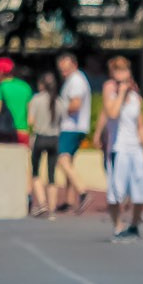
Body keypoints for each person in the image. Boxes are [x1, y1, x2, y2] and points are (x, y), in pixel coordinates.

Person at [97, 55, 143, 240]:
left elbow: (141, 124)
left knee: (141, 190)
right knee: (116, 192)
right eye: (118, 70)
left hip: (134, 148)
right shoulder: (110, 92)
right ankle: (118, 225)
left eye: (125, 70)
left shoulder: (136, 97)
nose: (122, 74)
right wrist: (120, 93)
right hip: (118, 148)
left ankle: (134, 224)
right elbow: (111, 113)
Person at [53, 51, 91, 214]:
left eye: (66, 69)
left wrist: (57, 110)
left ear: (74, 65)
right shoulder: (73, 80)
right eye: (61, 70)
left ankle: (82, 192)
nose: (64, 73)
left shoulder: (76, 81)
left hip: (71, 127)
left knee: (62, 159)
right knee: (68, 161)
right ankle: (69, 200)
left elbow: (75, 104)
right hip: (74, 127)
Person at [26, 72, 60, 218]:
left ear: (41, 85)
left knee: (35, 172)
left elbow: (30, 121)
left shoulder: (36, 99)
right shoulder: (59, 101)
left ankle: (43, 203)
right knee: (52, 175)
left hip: (40, 137)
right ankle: (52, 209)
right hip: (55, 138)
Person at [0, 56, 31, 145]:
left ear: (0, 72)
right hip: (23, 132)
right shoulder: (25, 87)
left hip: (5, 133)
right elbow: (30, 115)